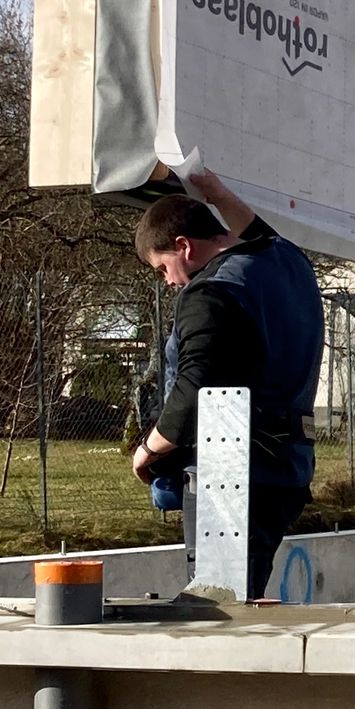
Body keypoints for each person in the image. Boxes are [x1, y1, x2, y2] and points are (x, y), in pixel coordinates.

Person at [129, 169, 322, 599]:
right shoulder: (288, 261)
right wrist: (214, 191)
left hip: (232, 479)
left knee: (217, 608)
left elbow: (195, 386)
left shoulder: (210, 293)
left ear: (183, 246)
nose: (170, 281)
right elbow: (255, 232)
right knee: (242, 598)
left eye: (163, 268)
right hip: (287, 468)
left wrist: (148, 450)